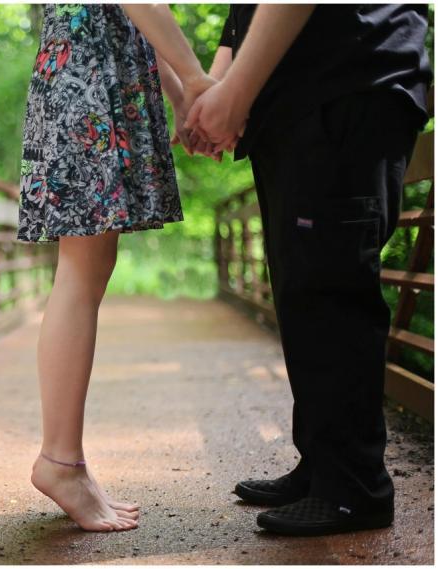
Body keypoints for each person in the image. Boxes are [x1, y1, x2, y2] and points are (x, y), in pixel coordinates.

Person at [184, 4, 432, 536]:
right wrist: (217, 92)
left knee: (331, 289)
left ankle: (354, 489)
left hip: (349, 79)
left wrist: (233, 93)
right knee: (303, 293)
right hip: (293, 101)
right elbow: (242, 15)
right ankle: (323, 466)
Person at [17, 4, 213, 531]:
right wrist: (195, 81)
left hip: (96, 66)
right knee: (81, 269)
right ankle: (60, 462)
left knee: (90, 264)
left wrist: (181, 93)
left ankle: (65, 461)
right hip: (90, 71)